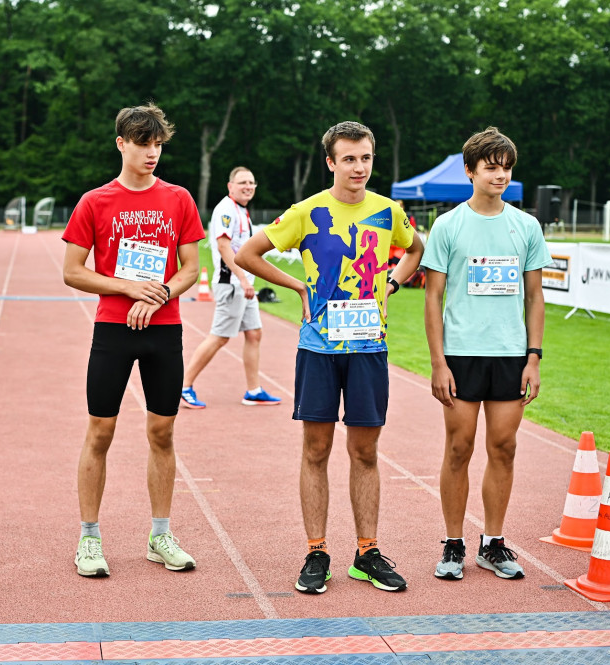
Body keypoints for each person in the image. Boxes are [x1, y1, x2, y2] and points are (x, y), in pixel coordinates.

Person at [235, 121, 423, 594]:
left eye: (366, 158)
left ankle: (367, 552)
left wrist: (393, 283)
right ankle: (317, 551)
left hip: (369, 348)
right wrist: (297, 285)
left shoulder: (389, 211)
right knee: (316, 449)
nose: (358, 167)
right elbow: (247, 253)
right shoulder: (307, 211)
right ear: (331, 162)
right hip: (318, 348)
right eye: (349, 159)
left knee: (365, 451)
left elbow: (415, 249)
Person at [62, 104, 204, 578]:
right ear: (121, 143)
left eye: (158, 144)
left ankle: (160, 535)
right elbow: (72, 272)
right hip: (113, 329)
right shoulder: (94, 202)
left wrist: (161, 293)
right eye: (143, 143)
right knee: (100, 432)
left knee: (161, 432)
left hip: (164, 329)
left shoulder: (179, 199)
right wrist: (127, 288)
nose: (152, 153)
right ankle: (88, 539)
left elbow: (191, 268)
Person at [422, 126, 551, 582]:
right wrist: (438, 362)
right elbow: (432, 297)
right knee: (459, 447)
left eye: (506, 168)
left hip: (510, 356)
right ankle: (453, 544)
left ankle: (492, 544)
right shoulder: (448, 225)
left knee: (505, 446)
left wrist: (533, 357)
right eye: (491, 167)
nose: (500, 175)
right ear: (470, 171)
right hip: (460, 354)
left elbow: (535, 297)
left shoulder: (526, 225)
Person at [179, 166, 281, 409]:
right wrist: (243, 280)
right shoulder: (226, 209)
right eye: (243, 182)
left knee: (254, 333)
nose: (248, 186)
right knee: (220, 336)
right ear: (230, 186)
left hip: (244, 284)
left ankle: (253, 390)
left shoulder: (241, 210)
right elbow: (224, 247)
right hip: (233, 284)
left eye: (252, 182)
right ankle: (184, 386)